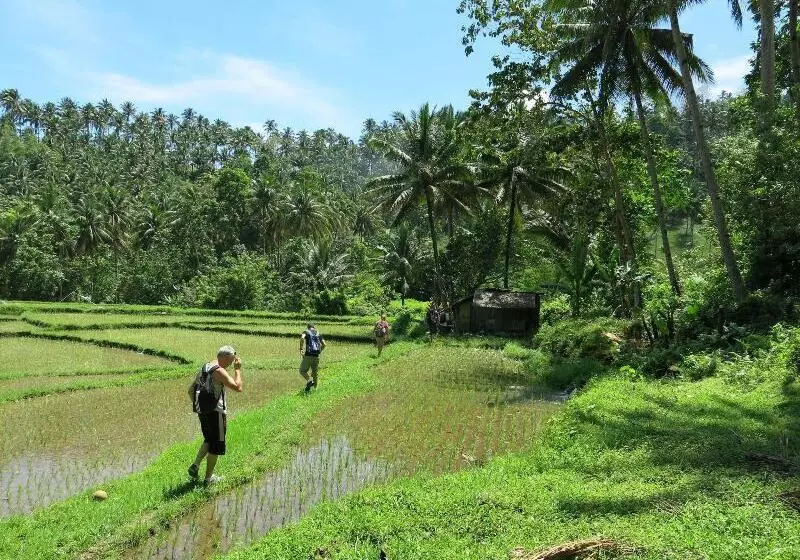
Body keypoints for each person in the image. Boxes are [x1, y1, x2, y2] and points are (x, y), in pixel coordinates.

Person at [187, 345, 243, 484]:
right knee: (216, 445)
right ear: (223, 357)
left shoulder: (206, 366)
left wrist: (201, 406)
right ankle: (208, 478)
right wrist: (237, 370)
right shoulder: (219, 371)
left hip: (203, 410)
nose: (230, 364)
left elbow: (191, 389)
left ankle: (195, 465)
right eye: (229, 361)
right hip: (216, 412)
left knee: (209, 438)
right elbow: (238, 387)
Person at [300, 323, 326, 394]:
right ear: (314, 327)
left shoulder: (306, 332)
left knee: (302, 371)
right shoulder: (318, 334)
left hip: (308, 356)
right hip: (316, 356)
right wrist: (319, 351)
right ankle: (315, 389)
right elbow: (324, 344)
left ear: (308, 327)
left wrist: (301, 348)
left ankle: (309, 380)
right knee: (315, 373)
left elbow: (302, 338)